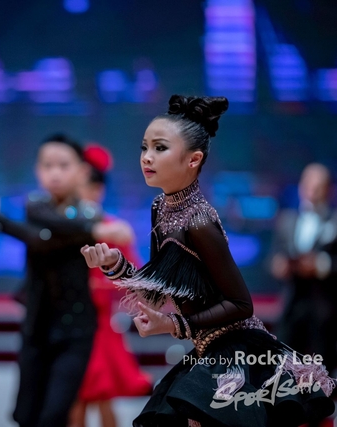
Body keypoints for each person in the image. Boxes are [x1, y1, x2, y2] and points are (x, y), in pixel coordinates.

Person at [81, 95, 335, 427]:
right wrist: (115, 264)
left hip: (236, 354)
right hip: (207, 350)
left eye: (160, 148)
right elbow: (157, 290)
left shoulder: (199, 221)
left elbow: (241, 305)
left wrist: (173, 325)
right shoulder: (160, 208)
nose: (147, 157)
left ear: (193, 159)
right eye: (144, 147)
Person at [0, 133, 128, 427]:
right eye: (47, 165)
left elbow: (56, 233)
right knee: (26, 415)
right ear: (37, 170)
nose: (55, 173)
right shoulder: (36, 206)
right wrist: (92, 233)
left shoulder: (89, 213)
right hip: (37, 328)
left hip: (77, 331)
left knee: (55, 415)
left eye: (63, 165)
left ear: (81, 171)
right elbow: (40, 239)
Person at [70, 143, 152, 427]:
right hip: (71, 324)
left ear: (99, 190)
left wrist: (104, 286)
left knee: (101, 395)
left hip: (100, 325)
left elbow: (134, 277)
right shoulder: (64, 227)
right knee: (77, 399)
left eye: (88, 186)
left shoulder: (114, 230)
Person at [270, 164, 337, 378]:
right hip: (291, 307)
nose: (312, 191)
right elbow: (274, 257)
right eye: (308, 185)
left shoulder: (334, 221)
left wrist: (320, 266)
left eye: (318, 187)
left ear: (328, 190)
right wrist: (280, 265)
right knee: (284, 370)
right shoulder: (287, 221)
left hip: (324, 310)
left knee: (322, 373)